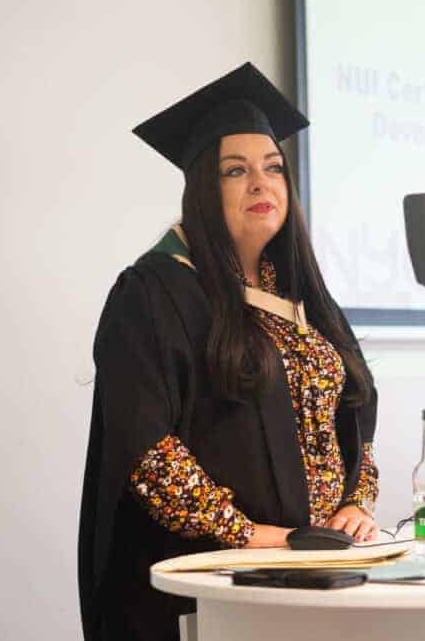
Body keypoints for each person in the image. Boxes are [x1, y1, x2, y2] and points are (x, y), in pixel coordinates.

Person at [77, 62, 380, 641]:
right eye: (235, 170)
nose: (261, 183)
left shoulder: (301, 296)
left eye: (273, 167)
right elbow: (145, 447)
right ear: (202, 188)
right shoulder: (154, 293)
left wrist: (355, 503)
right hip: (208, 582)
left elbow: (355, 414)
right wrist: (246, 533)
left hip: (315, 571)